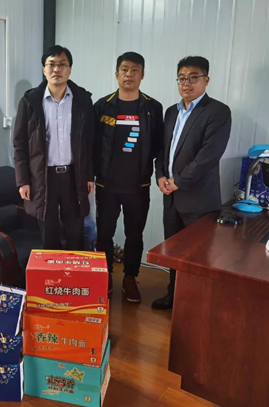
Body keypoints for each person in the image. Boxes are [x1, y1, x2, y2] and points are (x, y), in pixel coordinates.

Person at [152, 56, 231, 310]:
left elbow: (208, 156)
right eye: (182, 78)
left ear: (206, 80)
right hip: (171, 198)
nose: (186, 83)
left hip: (199, 201)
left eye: (193, 78)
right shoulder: (171, 112)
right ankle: (174, 296)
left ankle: (194, 306)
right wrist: (160, 176)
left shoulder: (218, 112)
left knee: (198, 257)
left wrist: (178, 181)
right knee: (174, 253)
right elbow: (163, 150)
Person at [94, 52, 163, 303]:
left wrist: (159, 175)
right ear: (116, 74)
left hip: (138, 185)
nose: (129, 74)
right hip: (107, 185)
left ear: (142, 75)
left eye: (135, 70)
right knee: (104, 234)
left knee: (135, 235)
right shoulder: (102, 106)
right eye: (124, 69)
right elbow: (92, 144)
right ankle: (105, 275)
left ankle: (130, 277)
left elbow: (159, 147)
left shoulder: (153, 108)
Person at [13, 45, 94, 250]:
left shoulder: (83, 100)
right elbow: (20, 144)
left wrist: (88, 176)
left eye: (62, 64)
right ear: (44, 69)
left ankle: (74, 270)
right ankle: (52, 271)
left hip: (73, 176)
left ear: (70, 69)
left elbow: (89, 142)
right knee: (48, 235)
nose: (56, 69)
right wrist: (23, 181)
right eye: (51, 64)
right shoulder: (30, 101)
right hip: (42, 177)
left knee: (75, 233)